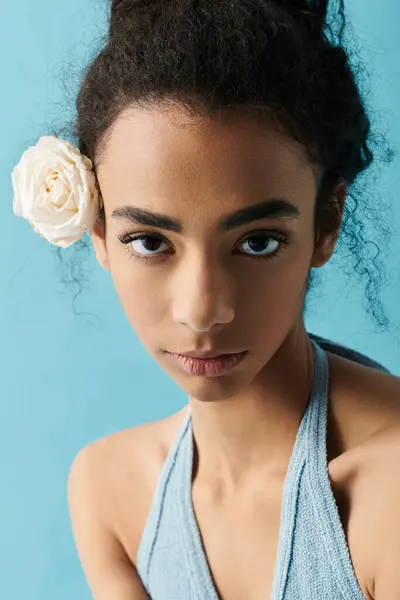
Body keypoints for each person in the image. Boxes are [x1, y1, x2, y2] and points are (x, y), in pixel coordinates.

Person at [11, 0, 399, 599]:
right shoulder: (111, 493)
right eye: (149, 241)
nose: (202, 310)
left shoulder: (388, 491)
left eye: (258, 242)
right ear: (99, 235)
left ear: (327, 224)